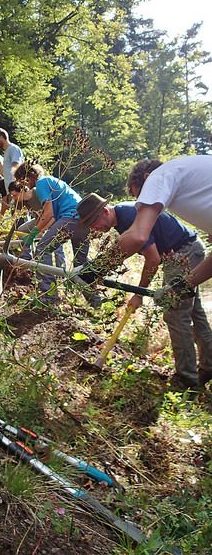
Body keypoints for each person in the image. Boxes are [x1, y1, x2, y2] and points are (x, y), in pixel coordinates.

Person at [77, 192, 212, 390]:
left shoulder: (129, 215)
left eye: (92, 222)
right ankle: (208, 366)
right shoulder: (123, 217)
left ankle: (187, 380)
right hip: (187, 250)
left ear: (104, 211)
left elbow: (153, 259)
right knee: (193, 312)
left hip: (184, 253)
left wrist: (139, 294)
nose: (93, 229)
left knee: (176, 315)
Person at [118, 155, 212, 294]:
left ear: (146, 177)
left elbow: (137, 236)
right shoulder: (194, 178)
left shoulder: (159, 175)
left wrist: (93, 269)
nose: (141, 202)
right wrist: (180, 288)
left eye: (141, 195)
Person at [13, 162, 99, 306]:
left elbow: (48, 213)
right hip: (83, 220)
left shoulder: (41, 183)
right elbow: (51, 218)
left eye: (23, 181)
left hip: (70, 218)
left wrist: (33, 233)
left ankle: (49, 297)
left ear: (28, 177)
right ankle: (95, 300)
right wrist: (44, 231)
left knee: (41, 251)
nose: (25, 185)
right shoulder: (50, 180)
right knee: (80, 263)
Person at [8, 181, 66, 268]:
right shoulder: (23, 200)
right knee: (22, 230)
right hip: (40, 220)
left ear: (22, 191)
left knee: (56, 244)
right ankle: (26, 258)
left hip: (55, 219)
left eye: (15, 195)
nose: (14, 198)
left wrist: (42, 231)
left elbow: (52, 215)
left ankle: (61, 271)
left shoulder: (37, 194)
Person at [0, 128, 24, 217]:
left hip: (17, 191)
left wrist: (15, 185)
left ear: (1, 137)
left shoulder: (13, 149)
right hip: (12, 192)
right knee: (15, 218)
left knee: (20, 218)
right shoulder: (7, 152)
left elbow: (16, 165)